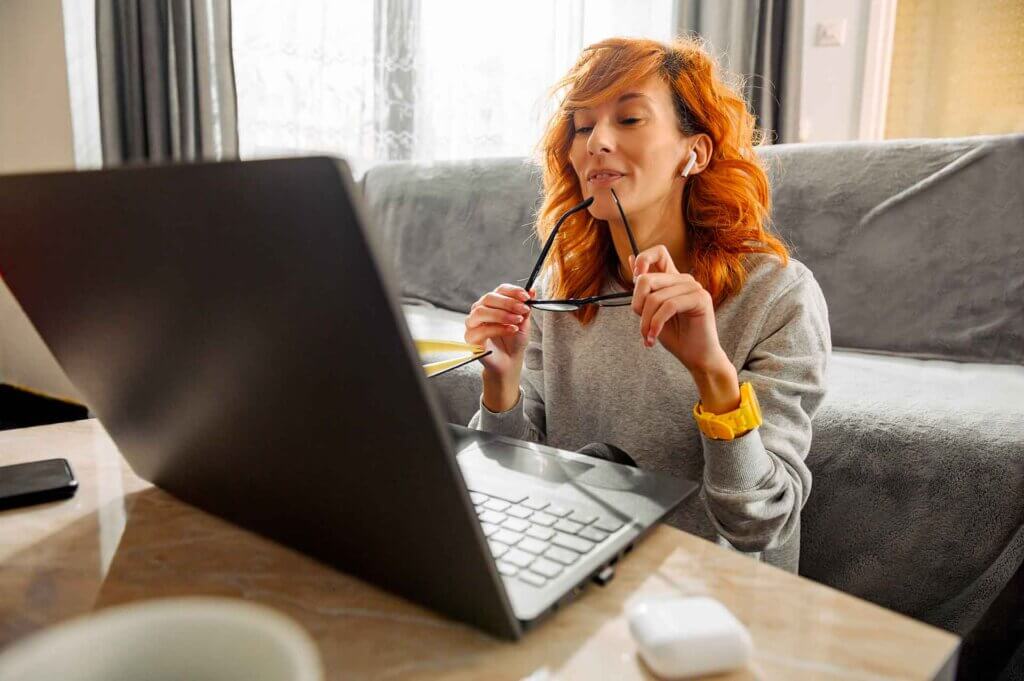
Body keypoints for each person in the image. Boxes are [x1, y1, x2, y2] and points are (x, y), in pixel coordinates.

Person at [464, 36, 831, 573]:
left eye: (629, 119)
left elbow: (759, 524)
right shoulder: (555, 288)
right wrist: (501, 387)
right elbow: (515, 485)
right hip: (585, 583)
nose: (597, 142)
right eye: (583, 126)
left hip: (719, 612)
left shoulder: (779, 295)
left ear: (694, 152)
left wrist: (712, 374)